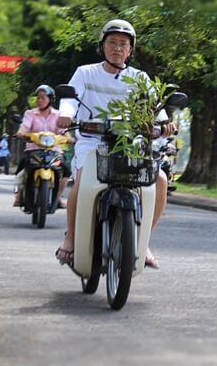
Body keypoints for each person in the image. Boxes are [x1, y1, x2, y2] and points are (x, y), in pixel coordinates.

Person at [56, 19, 177, 269]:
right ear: (102, 46)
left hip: (130, 144)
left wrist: (165, 123)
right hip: (92, 140)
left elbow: (156, 109)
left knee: (162, 180)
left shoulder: (140, 78)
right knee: (81, 179)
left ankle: (142, 242)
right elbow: (71, 99)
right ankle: (70, 237)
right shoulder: (85, 72)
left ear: (131, 50)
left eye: (124, 44)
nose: (118, 48)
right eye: (112, 42)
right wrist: (66, 113)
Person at [12, 85, 73, 209]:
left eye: (43, 98)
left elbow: (64, 131)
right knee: (23, 166)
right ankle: (20, 194)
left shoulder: (58, 115)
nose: (40, 100)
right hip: (33, 150)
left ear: (50, 99)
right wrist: (21, 132)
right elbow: (24, 126)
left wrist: (69, 138)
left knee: (66, 171)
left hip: (54, 151)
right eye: (38, 98)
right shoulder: (30, 113)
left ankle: (58, 198)